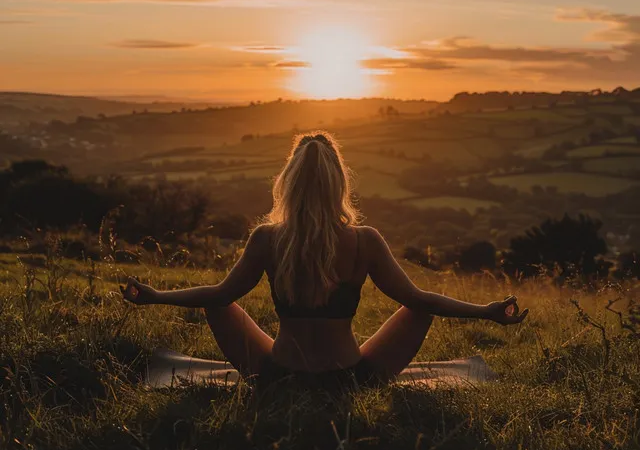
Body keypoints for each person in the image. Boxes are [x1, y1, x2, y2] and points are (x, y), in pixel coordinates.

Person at [121, 132, 528, 390]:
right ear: (339, 184)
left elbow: (220, 294)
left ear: (289, 185)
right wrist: (487, 312)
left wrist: (155, 296)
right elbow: (423, 301)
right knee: (417, 308)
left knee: (219, 301)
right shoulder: (364, 241)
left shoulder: (266, 239)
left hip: (275, 376)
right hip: (349, 381)